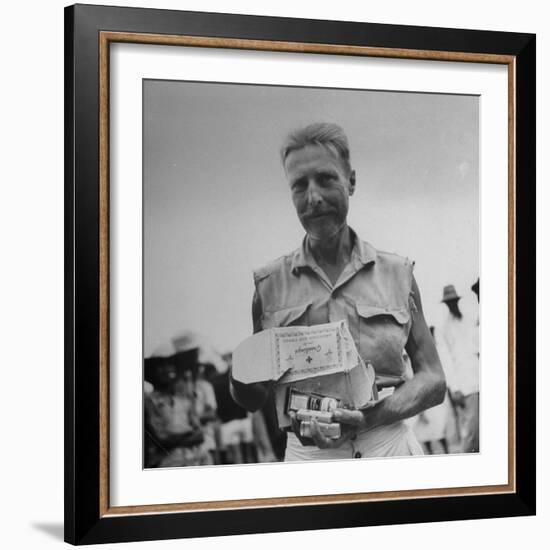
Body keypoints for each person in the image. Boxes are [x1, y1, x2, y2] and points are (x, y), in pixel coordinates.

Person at [230, 122, 446, 461]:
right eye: (299, 186)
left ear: (351, 182)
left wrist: (367, 419)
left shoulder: (397, 273)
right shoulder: (268, 286)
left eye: (326, 178)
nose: (313, 198)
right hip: (308, 458)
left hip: (388, 447)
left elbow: (433, 378)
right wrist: (239, 378)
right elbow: (254, 397)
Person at [439, 284, 479, 453]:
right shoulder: (443, 329)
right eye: (449, 302)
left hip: (480, 378)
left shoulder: (469, 319)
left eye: (454, 301)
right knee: (472, 432)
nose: (452, 304)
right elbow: (446, 361)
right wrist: (454, 389)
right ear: (446, 304)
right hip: (465, 387)